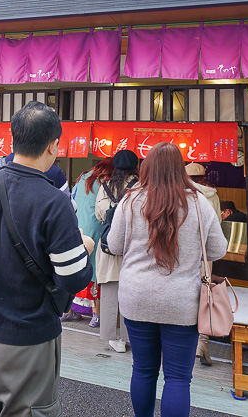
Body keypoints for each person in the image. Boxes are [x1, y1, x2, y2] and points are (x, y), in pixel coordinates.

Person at [0, 102, 94, 417]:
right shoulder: (55, 202)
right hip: (28, 341)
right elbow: (73, 278)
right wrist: (86, 247)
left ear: (13, 139)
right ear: (54, 145)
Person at [106, 142, 227, 417]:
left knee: (144, 370)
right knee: (177, 379)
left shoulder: (131, 200)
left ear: (146, 167)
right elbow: (218, 249)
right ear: (180, 169)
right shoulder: (198, 203)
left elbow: (114, 245)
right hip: (181, 302)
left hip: (136, 298)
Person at [94, 149, 139, 353]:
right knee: (132, 293)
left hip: (109, 244)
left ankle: (114, 339)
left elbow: (100, 213)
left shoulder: (106, 185)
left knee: (111, 291)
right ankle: (132, 337)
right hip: (133, 245)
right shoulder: (141, 186)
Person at [64, 157, 114, 326]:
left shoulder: (84, 176)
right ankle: (96, 315)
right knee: (95, 271)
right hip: (95, 228)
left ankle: (68, 310)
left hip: (77, 225)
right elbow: (104, 209)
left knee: (75, 267)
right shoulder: (105, 181)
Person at [184, 162, 222, 366]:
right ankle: (203, 342)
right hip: (206, 254)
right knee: (204, 295)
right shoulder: (212, 196)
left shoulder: (181, 194)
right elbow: (218, 226)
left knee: (186, 294)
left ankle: (186, 341)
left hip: (185, 253)